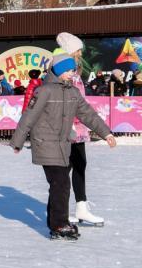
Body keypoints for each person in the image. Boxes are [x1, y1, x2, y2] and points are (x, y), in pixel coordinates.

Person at [10, 53, 117, 241]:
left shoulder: (72, 92)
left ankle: (55, 222)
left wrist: (106, 133)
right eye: (68, 70)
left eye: (73, 71)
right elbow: (29, 116)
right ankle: (60, 223)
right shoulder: (44, 91)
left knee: (58, 184)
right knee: (61, 182)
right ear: (59, 70)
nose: (72, 74)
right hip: (45, 143)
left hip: (63, 145)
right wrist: (17, 141)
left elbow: (89, 115)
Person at [55, 32, 108, 226]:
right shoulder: (64, 72)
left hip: (78, 127)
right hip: (68, 128)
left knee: (79, 166)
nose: (80, 53)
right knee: (65, 169)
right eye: (77, 49)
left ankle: (81, 207)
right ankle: (60, 210)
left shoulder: (74, 71)